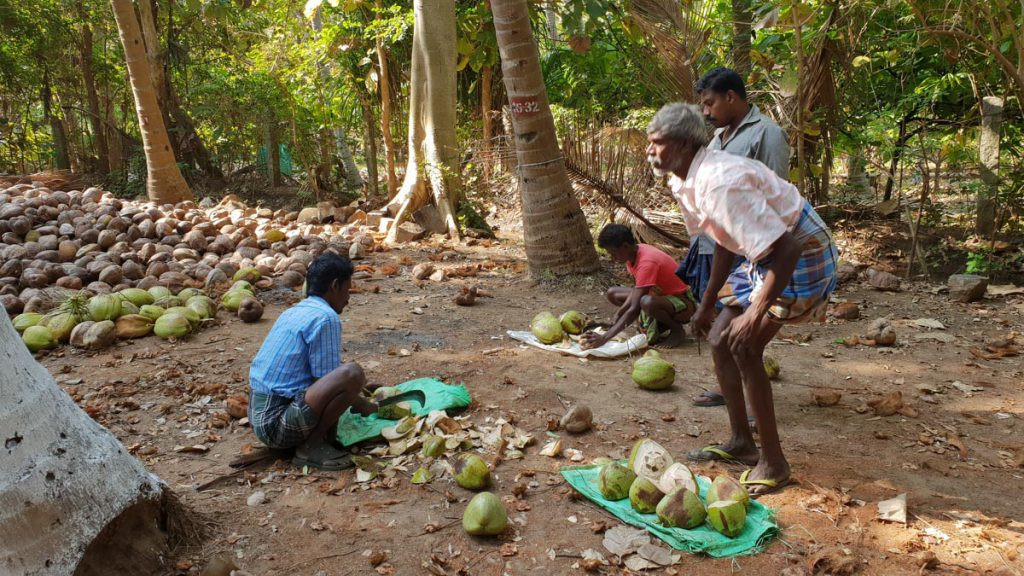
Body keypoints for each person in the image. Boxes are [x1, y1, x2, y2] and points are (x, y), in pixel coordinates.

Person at [646, 102, 838, 496]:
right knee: (719, 338)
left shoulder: (719, 182)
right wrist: (706, 302)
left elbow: (786, 251)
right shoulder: (686, 180)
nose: (650, 151)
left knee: (745, 345)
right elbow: (723, 240)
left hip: (802, 254)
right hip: (764, 255)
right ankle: (742, 443)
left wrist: (755, 312)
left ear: (682, 144)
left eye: (657, 143)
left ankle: (775, 463)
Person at [684, 66, 792, 408]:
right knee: (721, 324)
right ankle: (727, 387)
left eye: (710, 103)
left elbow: (776, 193)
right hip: (721, 246)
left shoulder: (767, 134)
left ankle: (751, 399)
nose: (706, 111)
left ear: (731, 97)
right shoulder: (718, 140)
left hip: (754, 250)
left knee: (745, 333)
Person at [248, 253, 378, 470]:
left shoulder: (296, 310)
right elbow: (326, 380)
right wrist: (364, 404)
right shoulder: (326, 317)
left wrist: (358, 391)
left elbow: (321, 377)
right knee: (353, 373)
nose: (348, 298)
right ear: (335, 286)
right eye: (347, 290)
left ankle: (311, 440)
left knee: (351, 378)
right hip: (276, 424)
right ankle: (311, 446)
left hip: (259, 417)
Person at [580, 224, 696, 349]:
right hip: (659, 295)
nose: (612, 258)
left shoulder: (647, 262)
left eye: (613, 253)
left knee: (646, 302)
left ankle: (677, 329)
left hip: (683, 303)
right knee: (613, 293)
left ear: (625, 246)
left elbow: (635, 306)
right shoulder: (633, 254)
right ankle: (657, 320)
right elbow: (637, 290)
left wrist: (605, 338)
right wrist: (620, 313)